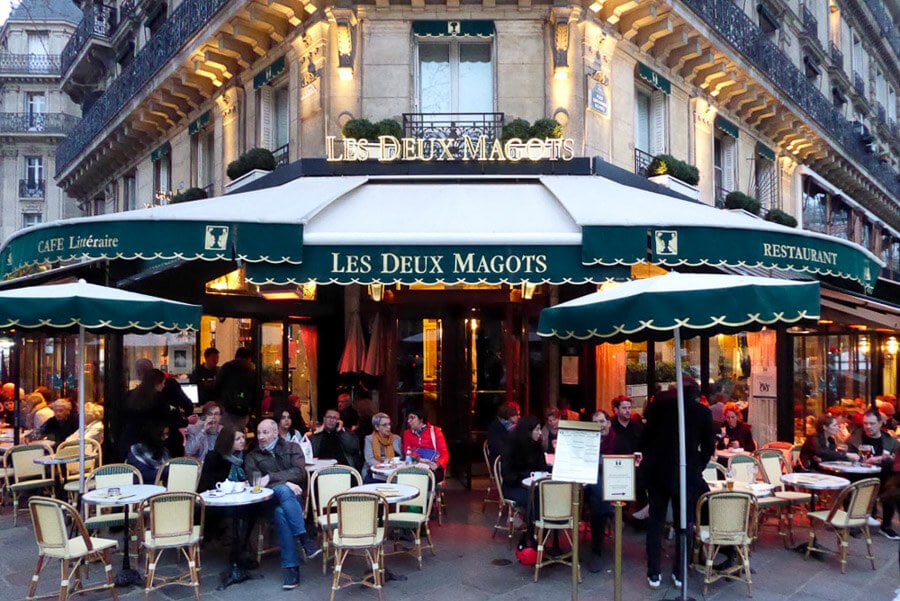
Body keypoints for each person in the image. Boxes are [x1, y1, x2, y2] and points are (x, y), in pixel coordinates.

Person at [640, 385, 715, 590]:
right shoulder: (702, 413)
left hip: (659, 472)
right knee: (685, 523)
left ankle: (654, 571)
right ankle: (680, 571)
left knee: (656, 521)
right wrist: (696, 465)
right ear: (697, 396)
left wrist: (652, 459)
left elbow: (644, 439)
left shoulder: (659, 408)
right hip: (686, 473)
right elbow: (709, 447)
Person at [244, 419, 320, 590]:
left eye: (265, 432)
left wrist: (271, 477)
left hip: (293, 502)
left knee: (281, 512)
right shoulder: (252, 456)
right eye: (259, 433)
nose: (261, 437)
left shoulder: (292, 448)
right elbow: (256, 482)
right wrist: (285, 483)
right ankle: (304, 539)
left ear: (275, 433)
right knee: (283, 494)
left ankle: (291, 570)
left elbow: (300, 473)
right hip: (267, 502)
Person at [197, 427, 259, 573]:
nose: (242, 441)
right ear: (228, 441)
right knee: (238, 512)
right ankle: (237, 555)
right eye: (237, 439)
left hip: (241, 498)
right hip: (217, 502)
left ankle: (240, 551)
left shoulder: (245, 457)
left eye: (243, 437)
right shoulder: (214, 457)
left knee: (252, 510)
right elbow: (206, 485)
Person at [847, 409, 899, 540]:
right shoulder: (855, 439)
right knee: (849, 485)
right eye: (865, 423)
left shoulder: (890, 441)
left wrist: (885, 459)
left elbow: (896, 460)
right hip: (860, 476)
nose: (868, 427)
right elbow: (847, 458)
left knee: (893, 489)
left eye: (872, 423)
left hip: (883, 477)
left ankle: (886, 526)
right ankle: (853, 522)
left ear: (880, 424)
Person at [500, 415, 548, 548]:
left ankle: (543, 533)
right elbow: (507, 474)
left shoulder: (537, 446)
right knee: (532, 500)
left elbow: (542, 468)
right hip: (514, 486)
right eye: (537, 429)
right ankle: (532, 536)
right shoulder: (512, 445)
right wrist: (526, 476)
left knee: (546, 497)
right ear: (528, 430)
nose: (540, 433)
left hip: (533, 485)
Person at [585, 409, 618, 572]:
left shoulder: (616, 440)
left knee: (597, 499)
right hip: (587, 484)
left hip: (611, 484)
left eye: (602, 422)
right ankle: (609, 512)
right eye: (595, 423)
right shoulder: (587, 441)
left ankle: (596, 551)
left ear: (609, 423)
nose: (598, 426)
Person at [215, 347, 259, 431]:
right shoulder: (251, 370)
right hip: (244, 410)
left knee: (227, 435)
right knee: (239, 433)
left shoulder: (226, 367)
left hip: (227, 408)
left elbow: (217, 386)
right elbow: (255, 391)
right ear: (249, 358)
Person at [402, 408, 450, 483]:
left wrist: (437, 464)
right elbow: (407, 454)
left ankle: (427, 494)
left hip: (433, 466)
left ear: (421, 419)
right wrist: (421, 460)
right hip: (415, 465)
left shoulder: (435, 431)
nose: (408, 421)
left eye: (412, 417)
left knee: (426, 479)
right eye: (408, 418)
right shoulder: (407, 433)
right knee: (405, 477)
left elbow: (445, 455)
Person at [363, 412, 403, 483]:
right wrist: (385, 466)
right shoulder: (369, 439)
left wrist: (393, 464)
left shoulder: (396, 439)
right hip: (375, 472)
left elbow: (401, 457)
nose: (389, 427)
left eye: (389, 424)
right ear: (377, 427)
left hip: (393, 471)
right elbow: (369, 459)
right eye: (385, 425)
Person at [487, 401, 520, 469]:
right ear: (509, 415)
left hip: (511, 460)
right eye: (516, 414)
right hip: (500, 463)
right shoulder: (495, 427)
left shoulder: (514, 427)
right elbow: (497, 449)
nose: (519, 417)